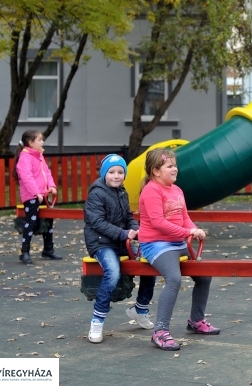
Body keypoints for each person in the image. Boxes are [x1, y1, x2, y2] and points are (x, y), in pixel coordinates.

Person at [138, 148, 220, 351]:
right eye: (170, 166)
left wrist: (193, 229)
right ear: (156, 171)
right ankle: (160, 331)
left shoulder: (177, 190)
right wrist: (186, 232)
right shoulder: (152, 190)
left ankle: (196, 320)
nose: (175, 169)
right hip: (155, 244)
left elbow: (184, 217)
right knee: (174, 279)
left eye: (175, 165)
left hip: (177, 242)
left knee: (205, 275)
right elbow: (157, 222)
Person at [84, 154, 156, 344]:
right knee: (113, 272)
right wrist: (124, 234)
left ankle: (140, 309)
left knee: (150, 264)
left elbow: (128, 216)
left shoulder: (122, 192)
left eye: (120, 172)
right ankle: (97, 321)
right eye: (112, 172)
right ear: (104, 174)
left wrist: (134, 228)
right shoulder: (97, 193)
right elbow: (97, 222)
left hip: (119, 241)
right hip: (101, 243)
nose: (116, 176)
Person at [14, 130, 61, 264]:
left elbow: (46, 172)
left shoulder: (39, 155)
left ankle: (48, 249)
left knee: (48, 221)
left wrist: (51, 186)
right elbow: (26, 177)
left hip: (44, 194)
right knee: (31, 222)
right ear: (30, 142)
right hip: (32, 196)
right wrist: (36, 193)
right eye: (39, 140)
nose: (42, 142)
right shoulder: (25, 157)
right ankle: (25, 252)